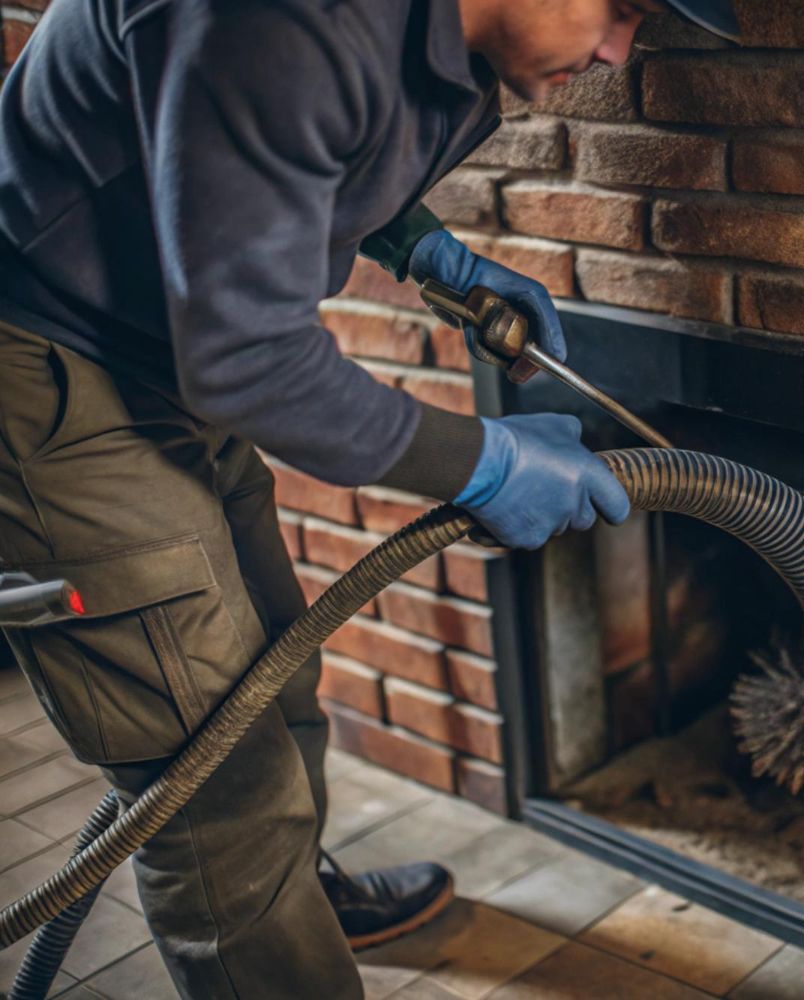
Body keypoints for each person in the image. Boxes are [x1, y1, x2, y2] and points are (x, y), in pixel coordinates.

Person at [0, 0, 737, 996]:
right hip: (50, 366)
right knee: (217, 791)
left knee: (271, 674)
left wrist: (423, 247)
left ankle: (293, 903)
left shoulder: (421, 33)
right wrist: (485, 463)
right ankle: (265, 924)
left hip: (157, 339)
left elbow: (272, 153)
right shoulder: (280, 17)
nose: (618, 50)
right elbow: (251, 361)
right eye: (620, 8)